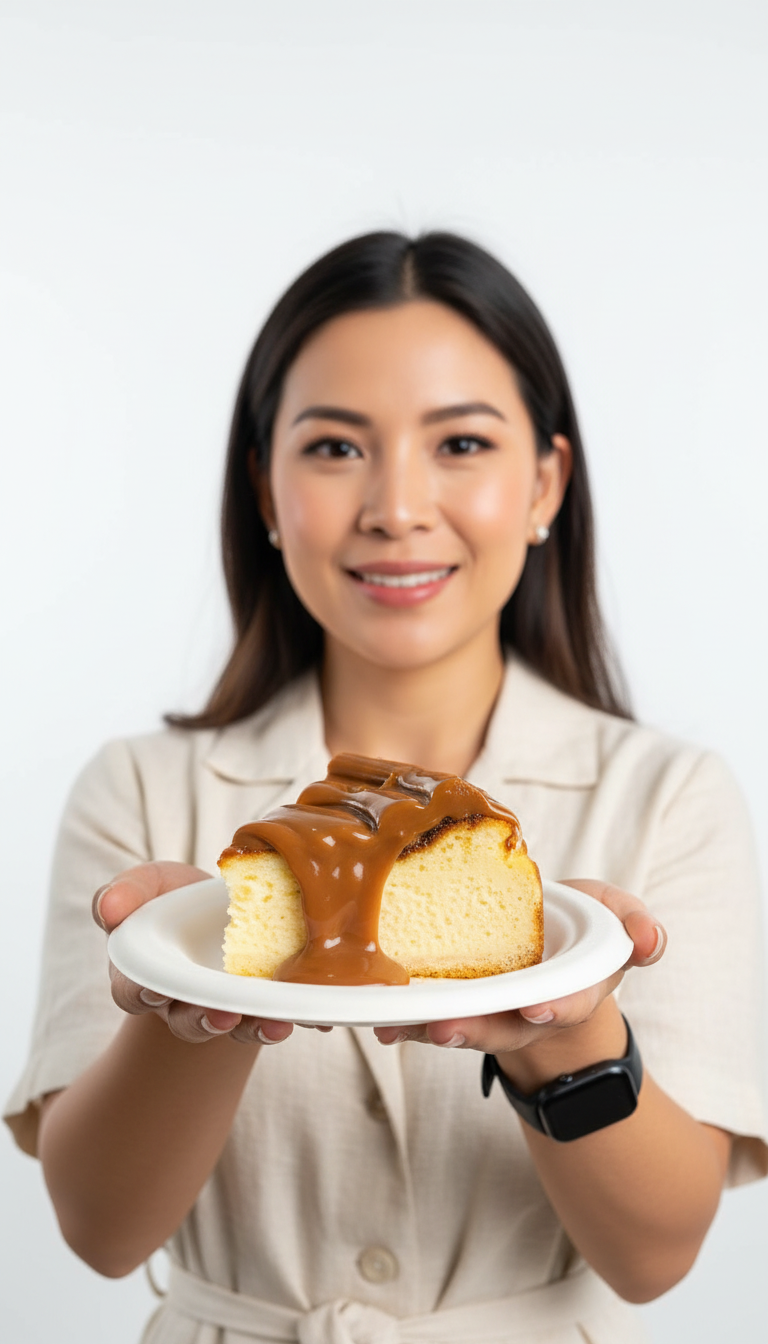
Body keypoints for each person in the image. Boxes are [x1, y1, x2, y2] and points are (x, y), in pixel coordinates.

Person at [5, 232, 766, 1344]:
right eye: (334, 447)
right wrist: (193, 1001)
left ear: (545, 483)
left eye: (461, 442)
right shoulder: (140, 791)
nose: (397, 507)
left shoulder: (669, 797)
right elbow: (102, 1232)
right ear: (264, 489)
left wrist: (564, 1028)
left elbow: (655, 1258)